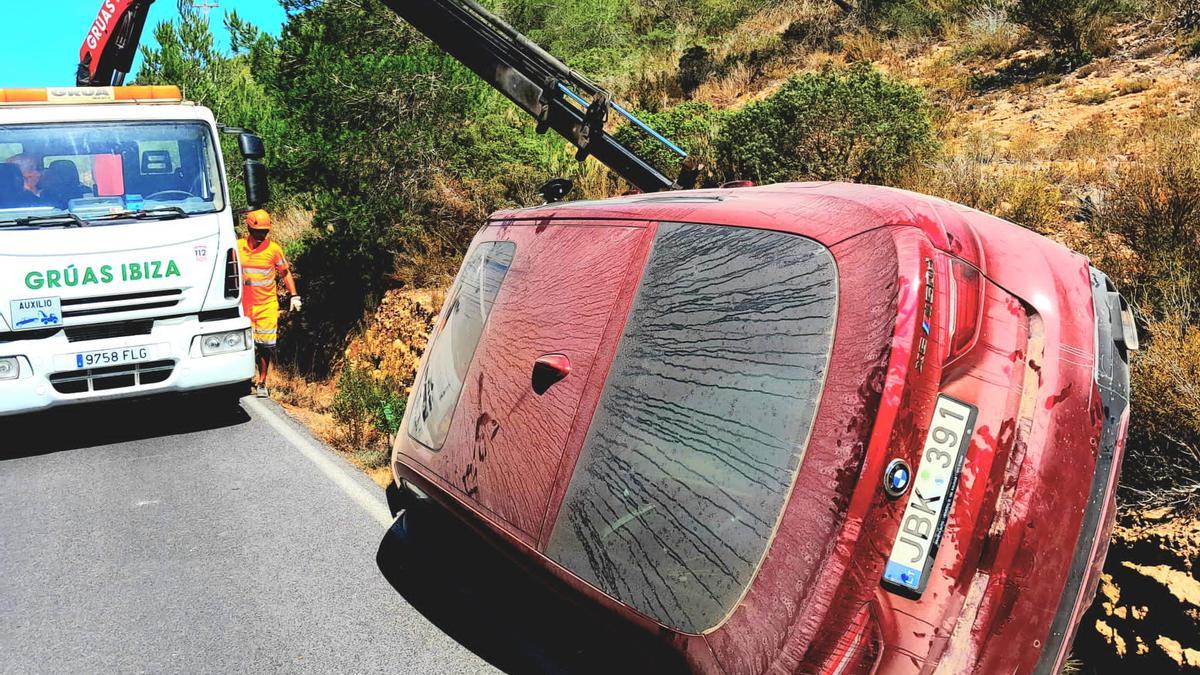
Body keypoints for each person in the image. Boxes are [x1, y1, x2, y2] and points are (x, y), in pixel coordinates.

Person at [237, 209, 301, 397]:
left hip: (266, 305)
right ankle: (245, 378)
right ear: (249, 228)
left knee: (265, 345)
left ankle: (262, 381)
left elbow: (285, 272)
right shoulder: (238, 246)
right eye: (258, 231)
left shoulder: (274, 250)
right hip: (243, 306)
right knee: (245, 344)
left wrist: (294, 295)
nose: (261, 235)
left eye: (265, 232)